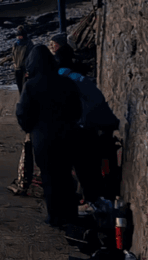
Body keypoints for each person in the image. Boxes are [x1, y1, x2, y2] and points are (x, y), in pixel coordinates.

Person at [16, 46, 83, 228]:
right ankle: (70, 214)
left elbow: (23, 113)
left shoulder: (31, 85)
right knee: (66, 175)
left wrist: (29, 128)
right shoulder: (67, 82)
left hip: (43, 137)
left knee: (49, 177)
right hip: (67, 134)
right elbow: (77, 110)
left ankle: (55, 216)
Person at [58, 64, 121, 203]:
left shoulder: (72, 85)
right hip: (105, 122)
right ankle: (100, 194)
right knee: (95, 162)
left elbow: (84, 111)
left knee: (87, 165)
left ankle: (94, 198)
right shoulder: (80, 80)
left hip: (92, 127)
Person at [9, 26, 37, 196]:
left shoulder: (29, 45)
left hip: (23, 70)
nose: (18, 37)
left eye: (20, 35)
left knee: (24, 88)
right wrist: (15, 64)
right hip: (18, 69)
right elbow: (14, 54)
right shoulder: (16, 45)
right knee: (21, 88)